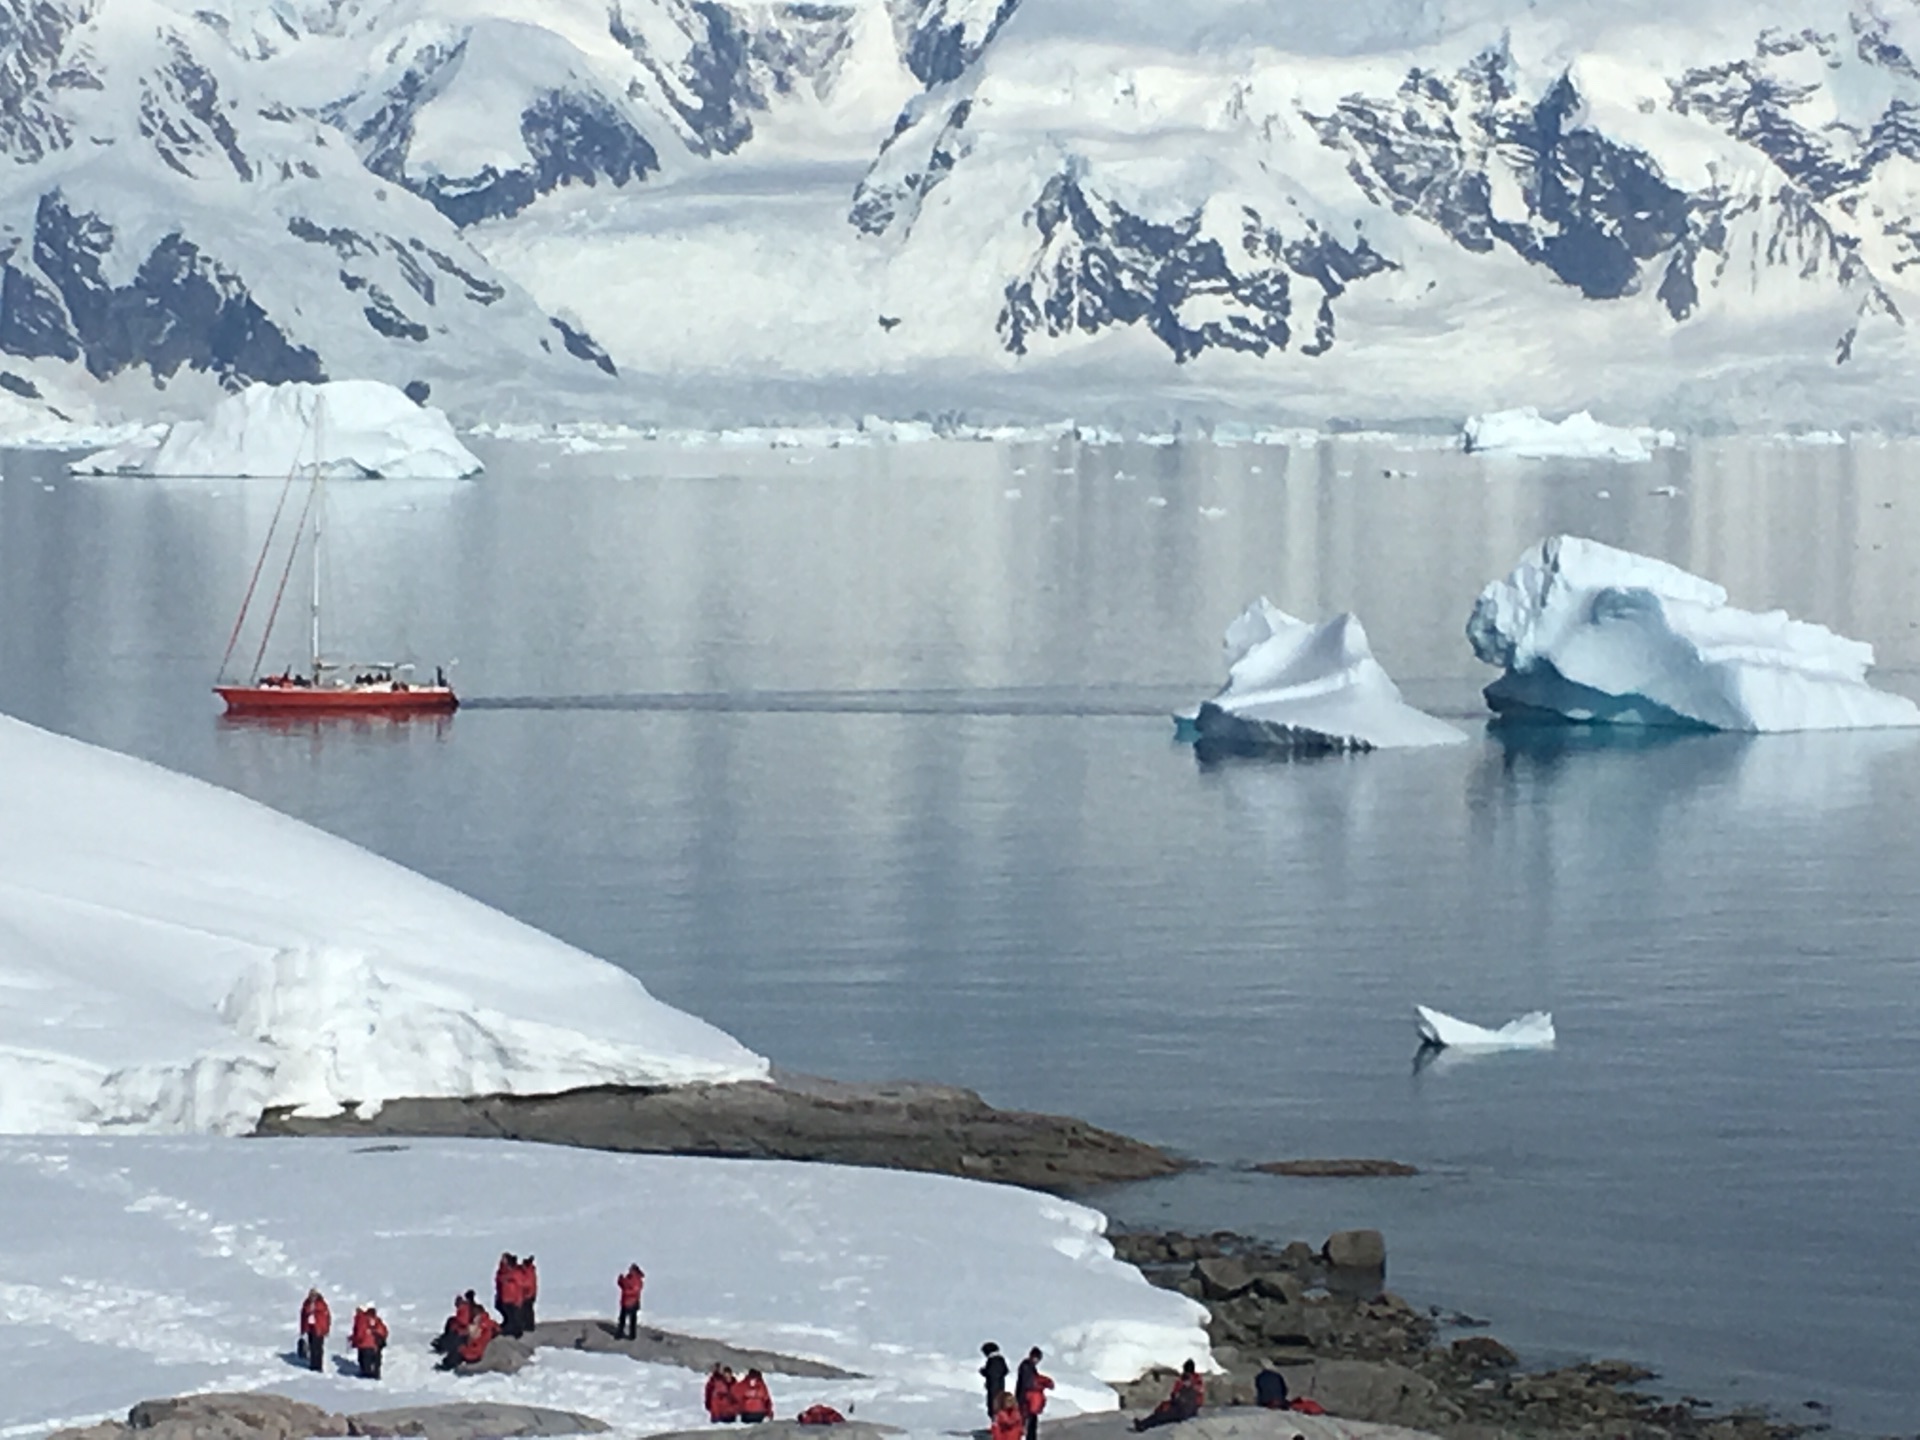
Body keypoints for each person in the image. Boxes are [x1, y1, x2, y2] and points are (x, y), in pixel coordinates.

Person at [1131, 1361, 1204, 1432]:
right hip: (1183, 1408)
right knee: (1162, 1411)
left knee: (1162, 1416)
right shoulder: (1196, 1380)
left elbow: (1179, 1394)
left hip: (1184, 1410)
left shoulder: (1190, 1380)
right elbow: (1175, 1394)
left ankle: (1144, 1425)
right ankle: (1144, 1424)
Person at [440, 1307, 499, 1371]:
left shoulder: (485, 1331)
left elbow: (476, 1352)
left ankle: (448, 1364)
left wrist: (463, 1350)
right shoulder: (475, 1326)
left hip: (477, 1357)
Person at [1015, 1348, 1054, 1440]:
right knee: (1028, 1422)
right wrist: (1043, 1385)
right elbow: (1029, 1383)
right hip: (1026, 1400)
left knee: (1030, 1421)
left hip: (1025, 1399)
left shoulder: (1028, 1366)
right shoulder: (1027, 1367)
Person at [351, 1305, 389, 1380]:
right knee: (375, 1364)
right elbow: (384, 1331)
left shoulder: (361, 1319)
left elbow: (359, 1333)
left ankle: (367, 1381)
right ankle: (376, 1377)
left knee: (365, 1365)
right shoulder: (376, 1319)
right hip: (376, 1346)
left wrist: (354, 1341)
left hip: (364, 1345)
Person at [298, 1289, 331, 1374]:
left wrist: (326, 1329)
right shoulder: (306, 1303)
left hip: (319, 1328)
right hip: (310, 1328)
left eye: (314, 1295)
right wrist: (303, 1329)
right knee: (312, 1347)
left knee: (318, 1348)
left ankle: (318, 1365)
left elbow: (326, 1317)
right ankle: (313, 1364)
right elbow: (303, 1316)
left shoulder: (321, 1304)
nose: (312, 1296)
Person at [616, 1264, 645, 1340]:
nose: (629, 1271)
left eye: (631, 1270)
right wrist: (620, 1280)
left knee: (632, 1320)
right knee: (622, 1319)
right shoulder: (628, 1277)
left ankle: (632, 1335)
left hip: (632, 1303)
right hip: (625, 1302)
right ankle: (620, 1333)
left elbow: (634, 1290)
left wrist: (626, 1290)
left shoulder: (637, 1280)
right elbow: (623, 1285)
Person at [980, 1342, 1009, 1416]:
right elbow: (1005, 1371)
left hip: (993, 1388)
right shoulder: (1001, 1360)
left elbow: (991, 1373)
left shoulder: (992, 1360)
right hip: (1001, 1387)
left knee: (993, 1407)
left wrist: (983, 1371)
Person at [495, 1253, 519, 1333]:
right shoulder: (502, 1270)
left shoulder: (512, 1271)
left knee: (511, 1314)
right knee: (507, 1313)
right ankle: (509, 1328)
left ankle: (513, 1330)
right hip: (504, 1295)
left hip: (511, 1296)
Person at [520, 1255, 539, 1330]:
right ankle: (528, 1325)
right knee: (528, 1310)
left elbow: (527, 1284)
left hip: (528, 1294)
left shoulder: (527, 1272)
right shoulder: (530, 1271)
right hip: (530, 1294)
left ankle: (529, 1325)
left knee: (527, 1310)